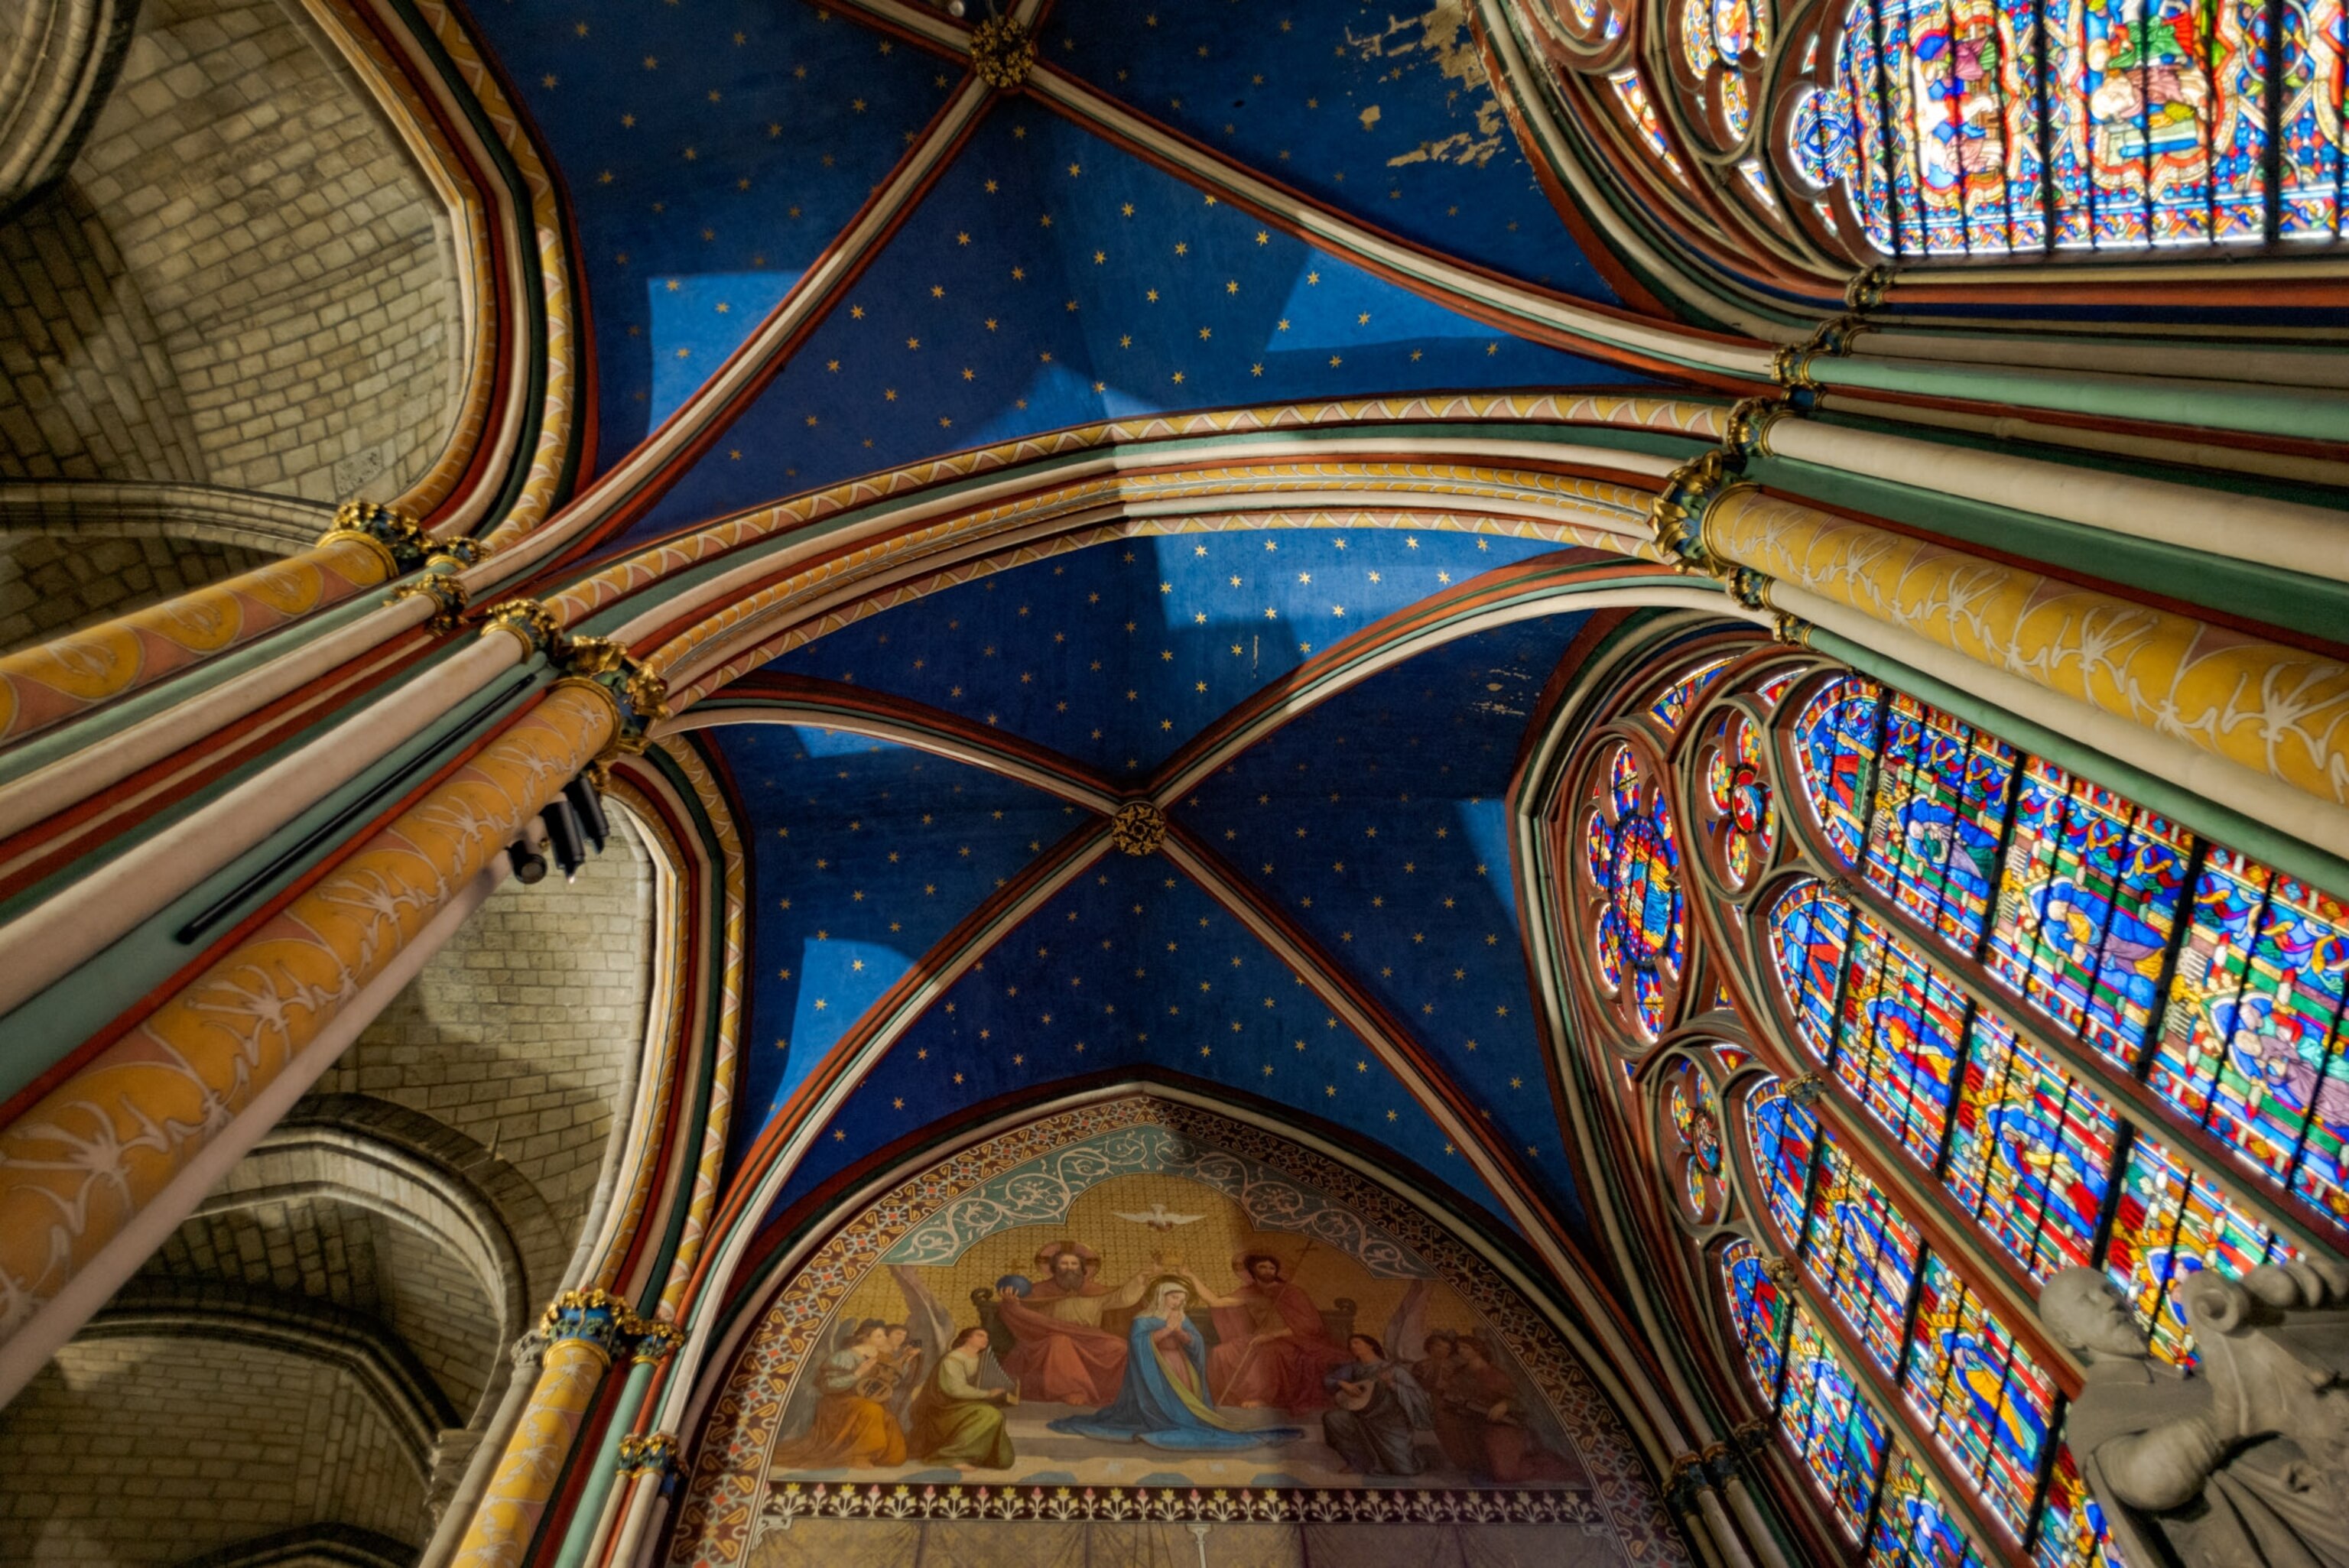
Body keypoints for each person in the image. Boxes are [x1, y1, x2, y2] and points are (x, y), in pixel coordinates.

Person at [2039, 1263, 2349, 1568]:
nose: (2111, 1302)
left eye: (2110, 1290)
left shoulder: (2198, 1376)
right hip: (2267, 1543)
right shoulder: (2094, 1411)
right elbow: (2147, 1481)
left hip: (2326, 1498)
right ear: (2070, 1337)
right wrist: (2236, 1410)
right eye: (2087, 1300)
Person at [1049, 1278, 1304, 1451]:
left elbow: (1196, 1343)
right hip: (1154, 1368)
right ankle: (1162, 1418)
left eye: (1182, 1298)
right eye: (1174, 1297)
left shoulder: (1182, 1317)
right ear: (1161, 1296)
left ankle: (1184, 1417)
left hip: (1179, 1364)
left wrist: (1181, 1332)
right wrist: (1165, 1331)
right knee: (1161, 1397)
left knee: (1185, 1399)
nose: (1178, 1302)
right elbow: (1139, 1344)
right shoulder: (1144, 1318)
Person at [1176, 1252, 1353, 1409]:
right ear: (1253, 1269)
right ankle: (1219, 1399)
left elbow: (1310, 1324)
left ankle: (1262, 1397)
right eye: (1263, 1267)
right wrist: (1191, 1276)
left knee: (1270, 1352)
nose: (1268, 1271)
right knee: (1220, 1353)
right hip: (1261, 1337)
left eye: (1271, 1268)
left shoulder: (1291, 1292)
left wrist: (1272, 1335)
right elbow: (1216, 1302)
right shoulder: (1249, 1292)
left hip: (1292, 1338)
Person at [993, 1241, 1160, 1405]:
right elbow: (1020, 1313)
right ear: (1054, 1268)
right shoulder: (1039, 1291)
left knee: (1119, 1347)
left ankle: (1120, 1393)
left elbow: (1122, 1298)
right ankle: (1071, 1391)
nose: (1069, 1268)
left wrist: (1142, 1278)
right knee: (1060, 1342)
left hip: (1089, 1337)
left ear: (1082, 1268)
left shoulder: (1095, 1292)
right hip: (1050, 1335)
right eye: (1064, 1264)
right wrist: (1011, 1302)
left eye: (1074, 1264)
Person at [1431, 1335, 1575, 1483]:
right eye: (1459, 1348)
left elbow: (1520, 1401)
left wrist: (1504, 1405)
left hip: (1501, 1425)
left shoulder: (1494, 1374)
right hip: (1473, 1424)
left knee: (1506, 1475)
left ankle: (1552, 1466)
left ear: (1477, 1350)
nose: (1461, 1351)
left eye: (1465, 1347)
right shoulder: (1459, 1373)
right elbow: (1451, 1396)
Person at [773, 1320, 908, 1469]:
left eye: (884, 1336)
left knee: (895, 1453)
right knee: (871, 1410)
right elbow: (827, 1385)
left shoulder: (882, 1358)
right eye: (879, 1336)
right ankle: (857, 1456)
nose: (884, 1339)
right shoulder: (845, 1356)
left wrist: (903, 1361)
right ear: (865, 1338)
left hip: (863, 1400)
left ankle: (877, 1455)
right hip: (838, 1401)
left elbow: (889, 1381)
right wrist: (857, 1374)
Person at [908, 1326, 1019, 1469]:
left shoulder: (982, 1360)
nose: (985, 1339)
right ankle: (950, 1456)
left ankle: (981, 1455)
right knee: (990, 1414)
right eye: (980, 1335)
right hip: (945, 1408)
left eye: (986, 1337)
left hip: (965, 1405)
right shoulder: (954, 1358)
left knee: (1004, 1453)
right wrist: (987, 1394)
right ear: (967, 1338)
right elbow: (955, 1389)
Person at [1321, 1333, 1432, 1475]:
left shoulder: (1393, 1369)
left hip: (1389, 1421)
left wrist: (1392, 1384)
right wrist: (1342, 1383)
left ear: (1370, 1345)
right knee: (1333, 1418)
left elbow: (1418, 1395)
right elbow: (1328, 1380)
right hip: (1361, 1415)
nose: (1352, 1347)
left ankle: (1414, 1457)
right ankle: (1357, 1462)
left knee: (1405, 1470)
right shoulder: (1354, 1368)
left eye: (1356, 1343)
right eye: (1351, 1344)